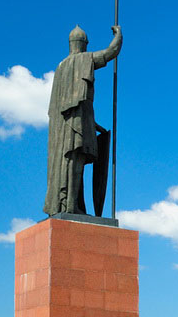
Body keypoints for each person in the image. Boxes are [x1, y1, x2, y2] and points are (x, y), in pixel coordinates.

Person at [44, 24, 123, 216]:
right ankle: (70, 206)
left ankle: (70, 204)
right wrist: (119, 35)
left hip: (67, 125)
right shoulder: (83, 60)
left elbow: (69, 106)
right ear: (84, 44)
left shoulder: (61, 67)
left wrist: (97, 127)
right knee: (75, 160)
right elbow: (109, 53)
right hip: (75, 126)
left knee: (71, 161)